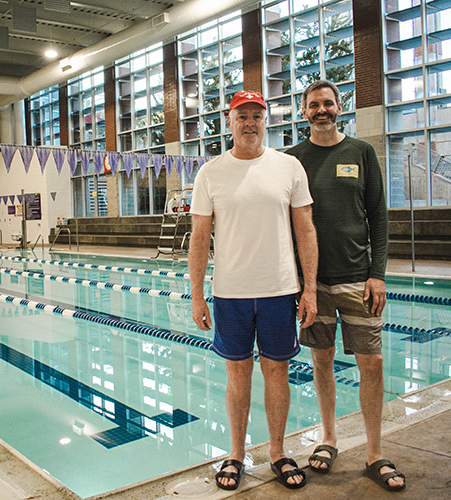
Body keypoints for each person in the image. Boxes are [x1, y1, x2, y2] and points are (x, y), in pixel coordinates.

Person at [189, 90, 319, 491]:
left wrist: (309, 289)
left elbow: (305, 230)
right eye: (241, 116)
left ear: (266, 121)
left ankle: (278, 452)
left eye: (256, 116)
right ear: (229, 122)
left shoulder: (289, 167)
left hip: (281, 290)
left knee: (277, 372)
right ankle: (236, 454)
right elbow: (199, 238)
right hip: (231, 293)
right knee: (237, 374)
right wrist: (197, 294)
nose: (250, 123)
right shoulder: (210, 172)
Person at [286, 80, 405, 492]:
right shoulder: (292, 160)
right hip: (313, 284)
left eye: (329, 104)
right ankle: (329, 437)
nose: (322, 110)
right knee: (322, 360)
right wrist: (300, 283)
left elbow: (379, 215)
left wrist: (379, 272)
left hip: (358, 277)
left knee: (371, 362)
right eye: (314, 104)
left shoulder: (361, 152)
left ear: (340, 107)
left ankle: (374, 452)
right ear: (304, 112)